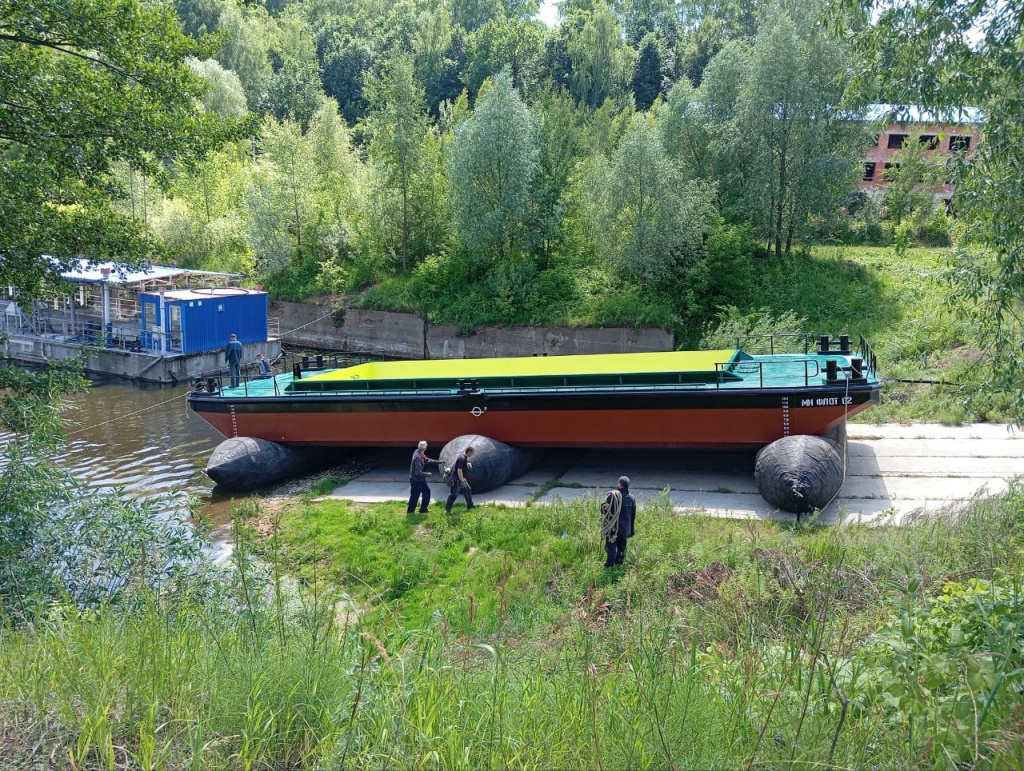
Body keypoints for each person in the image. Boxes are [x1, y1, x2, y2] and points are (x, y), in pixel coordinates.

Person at [600, 475, 637, 568]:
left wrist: (603, 506)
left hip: (614, 528)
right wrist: (631, 530)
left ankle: (609, 566)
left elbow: (604, 511)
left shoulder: (612, 497)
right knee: (622, 547)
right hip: (625, 529)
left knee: (610, 547)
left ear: (620, 485)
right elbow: (633, 515)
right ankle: (619, 564)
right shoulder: (632, 498)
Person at [407, 440, 440, 515]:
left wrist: (438, 462)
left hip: (420, 480)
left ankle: (423, 509)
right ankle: (410, 512)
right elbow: (418, 473)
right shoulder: (417, 458)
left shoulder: (419, 452)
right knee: (415, 496)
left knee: (427, 492)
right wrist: (427, 474)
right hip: (416, 480)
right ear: (424, 448)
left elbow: (427, 460)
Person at [445, 446, 475, 513]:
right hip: (456, 480)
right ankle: (447, 509)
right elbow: (459, 470)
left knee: (468, 490)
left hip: (461, 479)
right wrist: (462, 481)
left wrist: (466, 465)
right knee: (453, 495)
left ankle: (470, 505)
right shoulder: (462, 458)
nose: (472, 455)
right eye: (472, 453)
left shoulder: (463, 457)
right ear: (469, 452)